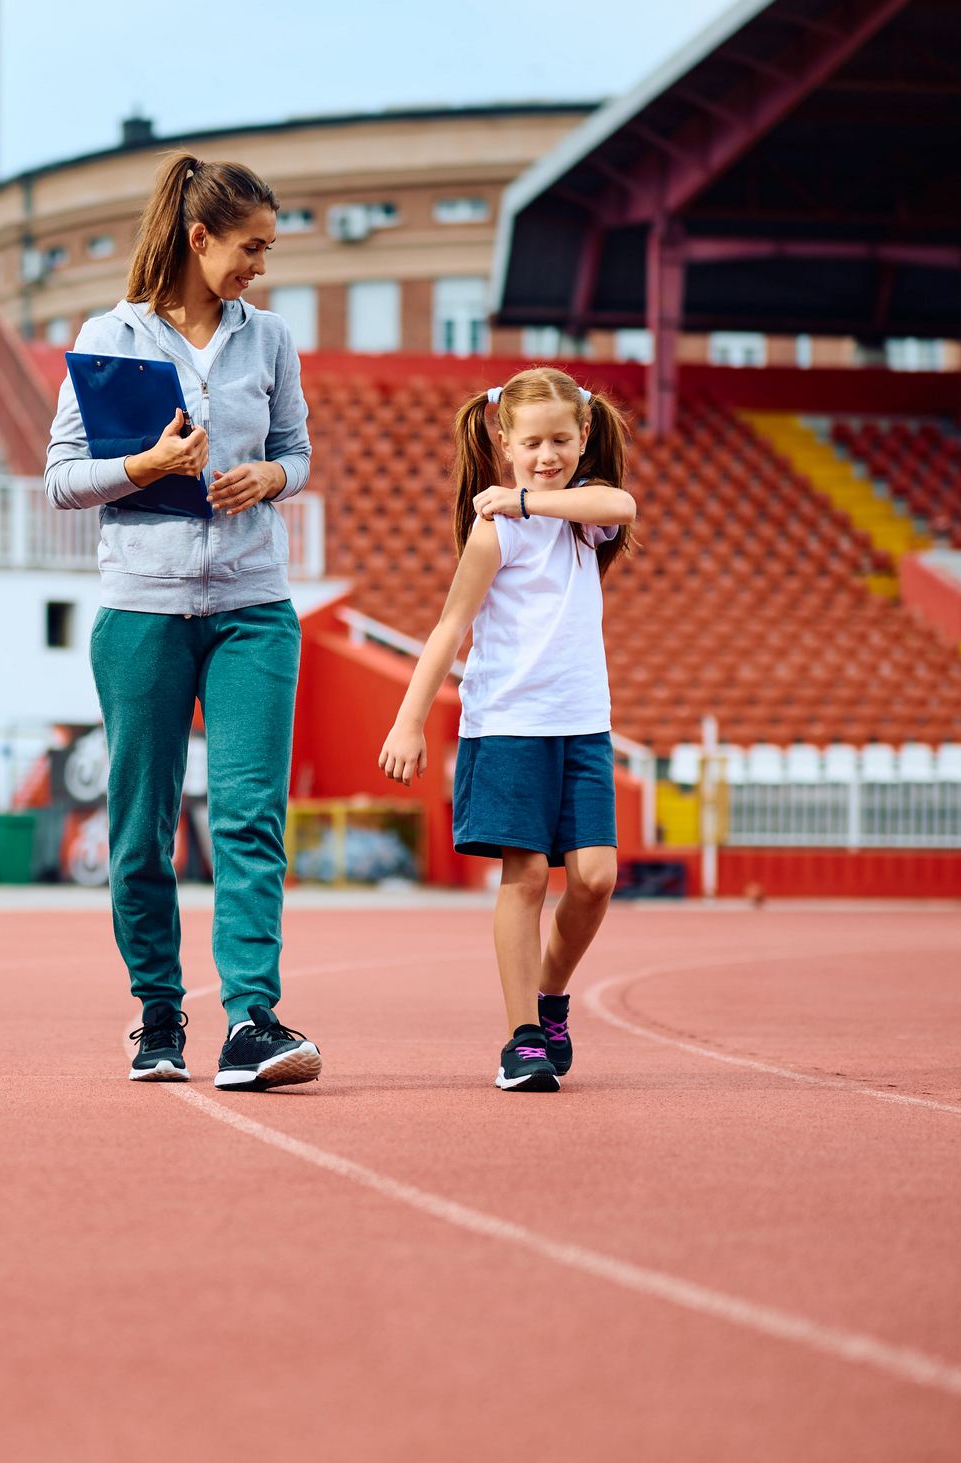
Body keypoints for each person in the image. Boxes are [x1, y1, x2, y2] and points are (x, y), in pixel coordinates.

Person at [43, 151, 318, 1090]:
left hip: (252, 607)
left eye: (267, 251)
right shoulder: (107, 336)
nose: (259, 267)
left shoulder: (269, 339)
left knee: (248, 817)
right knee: (140, 825)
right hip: (141, 612)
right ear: (197, 239)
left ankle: (252, 1019)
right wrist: (146, 467)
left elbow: (297, 452)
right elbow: (61, 481)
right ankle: (158, 1012)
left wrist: (271, 477)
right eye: (250, 248)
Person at [377, 366, 638, 1091]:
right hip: (508, 727)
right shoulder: (493, 534)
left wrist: (531, 497)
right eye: (531, 443)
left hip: (581, 724)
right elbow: (447, 629)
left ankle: (551, 996)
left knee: (594, 877)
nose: (547, 453)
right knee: (524, 877)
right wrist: (409, 722)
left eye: (561, 439)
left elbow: (625, 499)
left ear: (584, 437)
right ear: (503, 439)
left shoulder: (585, 518)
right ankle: (521, 1036)